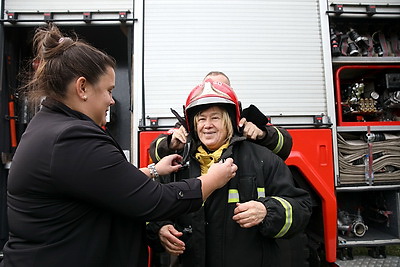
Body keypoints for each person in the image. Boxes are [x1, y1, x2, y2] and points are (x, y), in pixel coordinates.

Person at [0, 24, 238, 267]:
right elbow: (154, 200)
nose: (112, 100)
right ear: (82, 88)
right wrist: (212, 180)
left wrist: (153, 171)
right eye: (108, 90)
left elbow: (97, 182)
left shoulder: (51, 126)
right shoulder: (70, 137)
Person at [147, 79, 312, 267]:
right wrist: (159, 229)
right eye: (201, 118)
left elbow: (301, 209)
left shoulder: (262, 159)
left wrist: (267, 211)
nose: (207, 125)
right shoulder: (177, 165)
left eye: (215, 117)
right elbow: (153, 208)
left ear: (229, 121)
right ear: (192, 125)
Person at [149, 71, 293, 164]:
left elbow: (284, 146)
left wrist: (262, 135)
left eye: (221, 88)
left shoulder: (248, 120)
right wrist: (170, 144)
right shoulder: (189, 124)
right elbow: (155, 152)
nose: (207, 124)